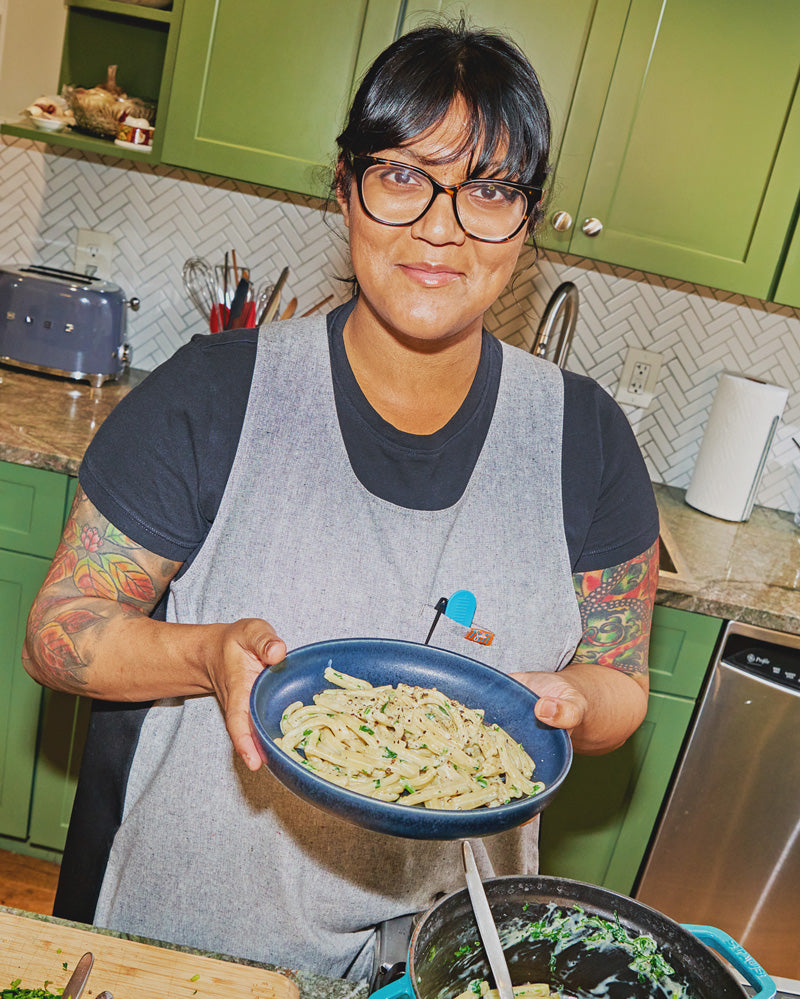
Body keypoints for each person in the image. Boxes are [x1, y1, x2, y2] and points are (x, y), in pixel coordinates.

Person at [23, 19, 659, 982]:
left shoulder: (588, 438)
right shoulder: (214, 394)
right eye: (403, 175)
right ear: (346, 186)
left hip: (446, 952)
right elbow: (59, 629)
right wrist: (204, 653)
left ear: (528, 219)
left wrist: (563, 699)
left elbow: (622, 690)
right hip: (202, 939)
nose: (440, 226)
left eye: (487, 189)